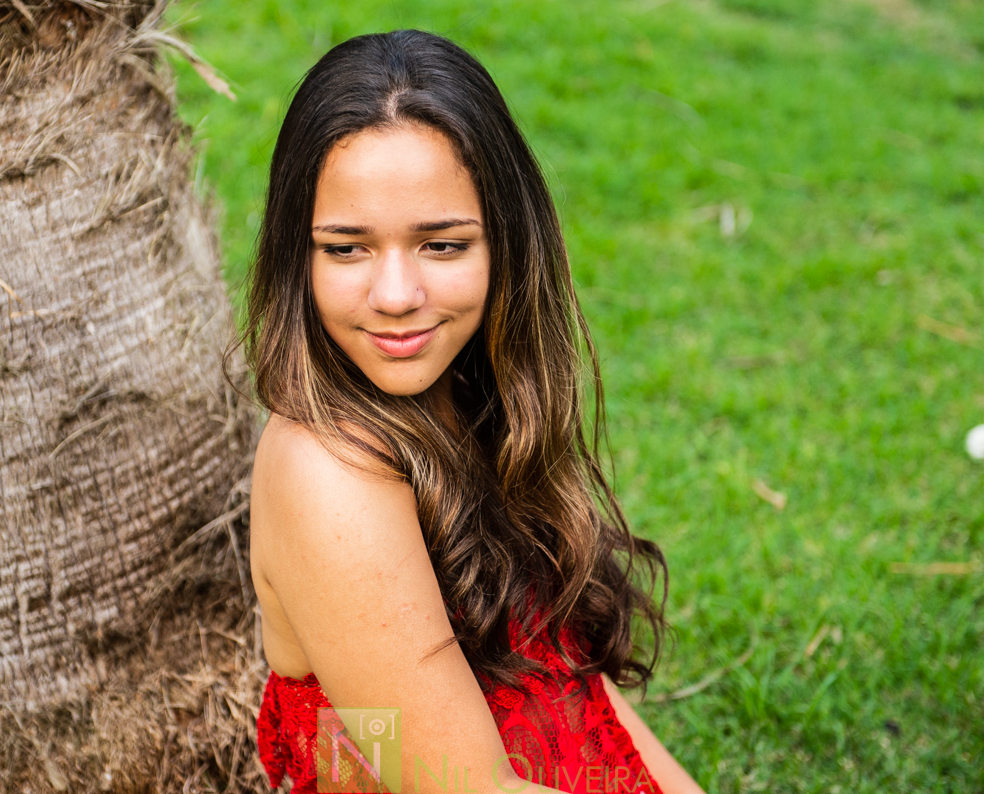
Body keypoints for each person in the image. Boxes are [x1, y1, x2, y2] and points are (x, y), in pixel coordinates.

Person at [240, 28, 706, 794]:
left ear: (506, 245)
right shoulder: (328, 473)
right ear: (299, 256)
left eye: (443, 246)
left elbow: (586, 700)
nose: (395, 297)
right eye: (347, 249)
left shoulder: (472, 393)